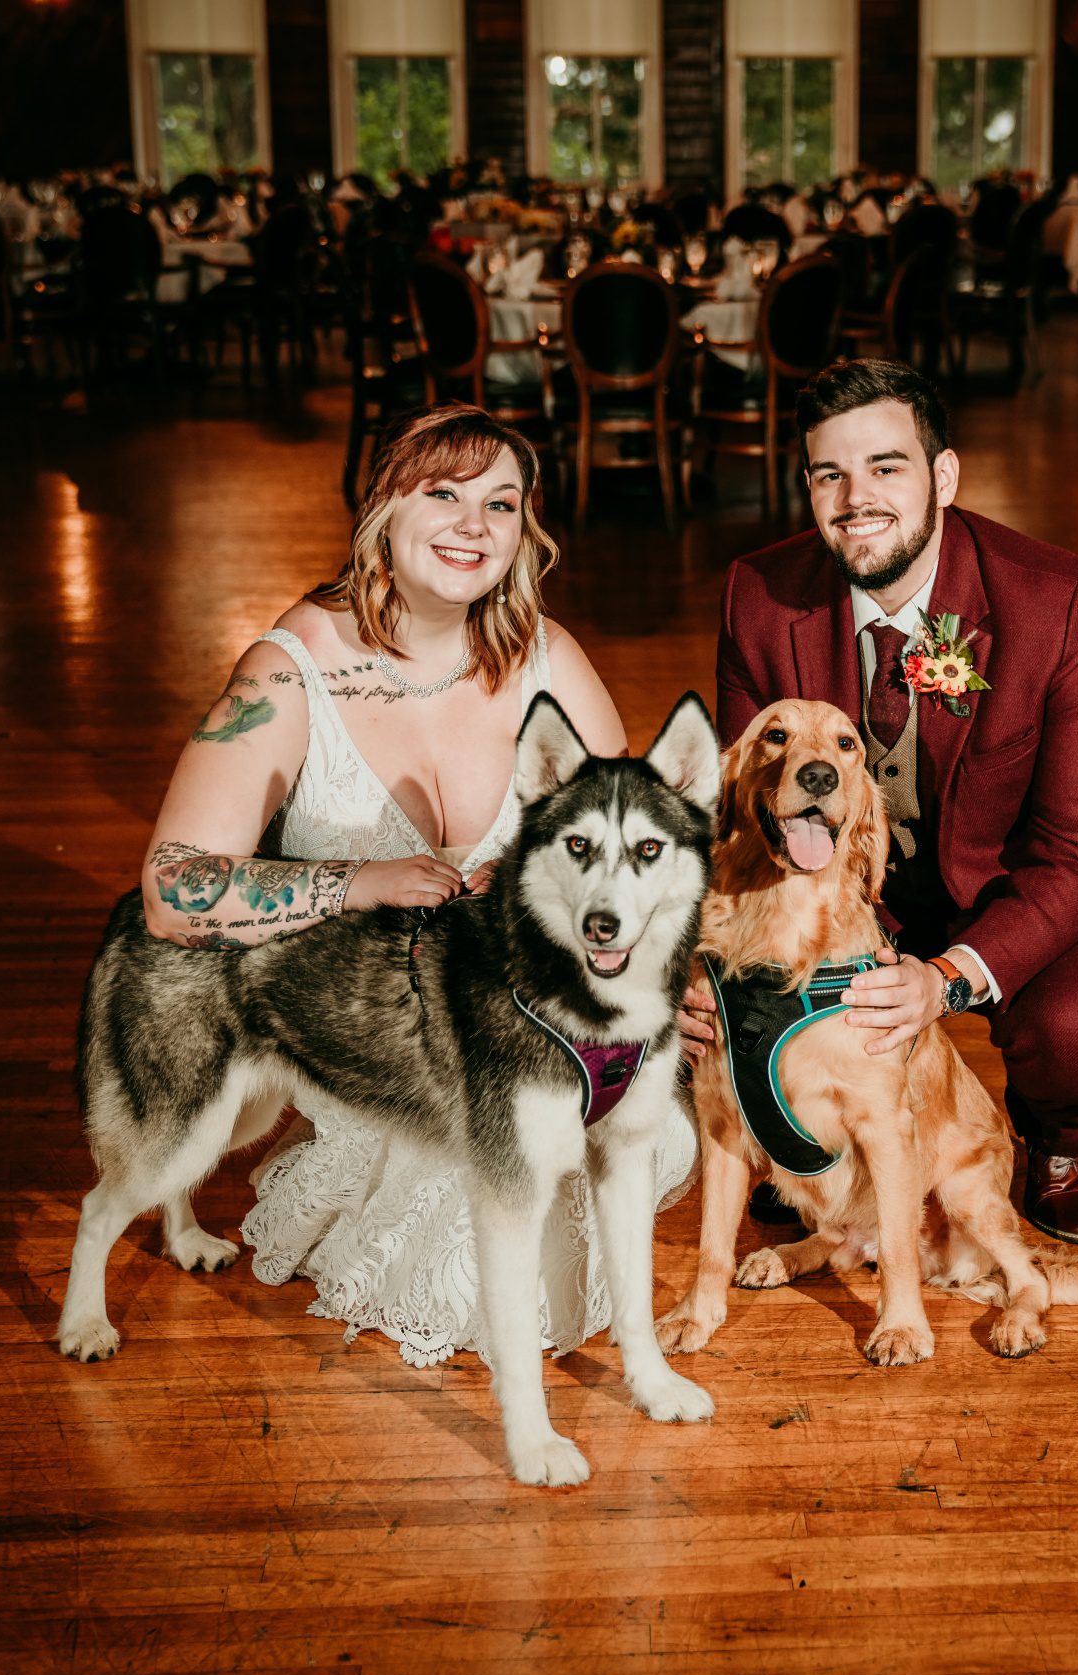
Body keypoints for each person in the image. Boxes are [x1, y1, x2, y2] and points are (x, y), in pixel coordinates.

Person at [127, 401, 695, 1365]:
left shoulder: (548, 659)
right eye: (444, 494)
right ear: (382, 507)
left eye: (501, 503)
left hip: (537, 1034)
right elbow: (171, 888)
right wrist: (358, 880)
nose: (475, 525)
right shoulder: (291, 673)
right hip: (377, 1050)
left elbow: (633, 854)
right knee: (462, 1259)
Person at [685, 359, 1078, 1245]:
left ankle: (1061, 1139)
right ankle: (807, 1131)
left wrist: (945, 977)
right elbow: (741, 816)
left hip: (1022, 885)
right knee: (738, 972)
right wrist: (706, 969)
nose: (856, 499)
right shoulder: (758, 594)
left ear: (943, 475)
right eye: (830, 475)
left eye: (886, 467)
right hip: (846, 893)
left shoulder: (1058, 600)